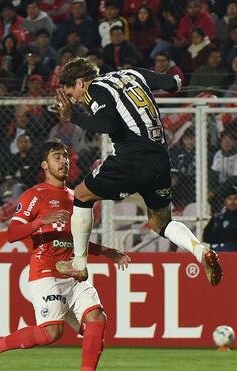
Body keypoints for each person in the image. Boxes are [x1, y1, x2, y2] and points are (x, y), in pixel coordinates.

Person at [0, 140, 130, 371]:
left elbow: (75, 239)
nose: (63, 161)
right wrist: (40, 221)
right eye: (57, 157)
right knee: (51, 333)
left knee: (97, 318)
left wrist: (107, 252)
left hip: (73, 273)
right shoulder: (34, 196)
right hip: (46, 272)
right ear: (45, 165)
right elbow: (12, 233)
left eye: (65, 156)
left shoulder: (76, 197)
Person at [54, 57, 223, 287]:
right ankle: (201, 251)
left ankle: (79, 264)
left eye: (71, 93)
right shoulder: (132, 73)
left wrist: (72, 116)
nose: (74, 100)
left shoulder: (95, 89)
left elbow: (108, 125)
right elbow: (173, 83)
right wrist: (173, 82)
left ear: (81, 82)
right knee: (160, 223)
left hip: (131, 158)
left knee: (82, 195)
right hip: (160, 158)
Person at [203, 185, 237, 252]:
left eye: (236, 199)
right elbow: (206, 238)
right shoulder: (216, 218)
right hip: (216, 251)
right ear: (225, 201)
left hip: (236, 252)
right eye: (229, 199)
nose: (232, 202)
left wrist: (221, 236)